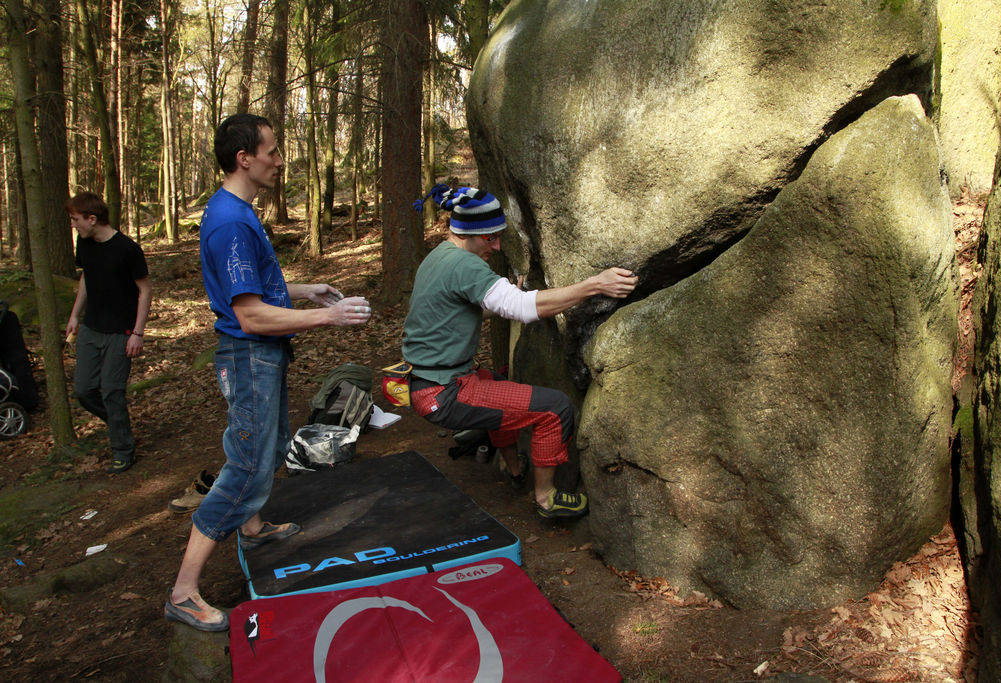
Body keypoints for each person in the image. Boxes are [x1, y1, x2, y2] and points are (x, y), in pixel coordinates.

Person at [164, 113, 371, 632]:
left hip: (263, 357)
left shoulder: (240, 212)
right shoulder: (231, 221)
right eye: (273, 151)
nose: (280, 160)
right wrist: (331, 315)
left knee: (271, 445)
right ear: (245, 158)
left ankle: (252, 527)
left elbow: (257, 289)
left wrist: (307, 292)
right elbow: (250, 315)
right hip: (249, 356)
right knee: (246, 469)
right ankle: (184, 592)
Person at [403, 184, 638, 520]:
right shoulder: (465, 266)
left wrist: (505, 295)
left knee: (496, 382)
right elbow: (525, 309)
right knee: (555, 408)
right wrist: (595, 285)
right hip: (444, 391)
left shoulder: (439, 257)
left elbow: (463, 307)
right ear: (470, 234)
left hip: (430, 383)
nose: (497, 246)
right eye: (490, 238)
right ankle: (546, 498)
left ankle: (514, 469)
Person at [65, 192, 152, 473]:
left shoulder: (127, 249)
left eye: (76, 220)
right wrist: (75, 315)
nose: (74, 225)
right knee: (84, 390)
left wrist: (137, 333)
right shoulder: (85, 243)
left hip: (121, 332)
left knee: (112, 392)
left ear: (92, 219)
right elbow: (86, 279)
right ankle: (119, 424)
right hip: (91, 328)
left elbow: (145, 290)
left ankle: (122, 449)